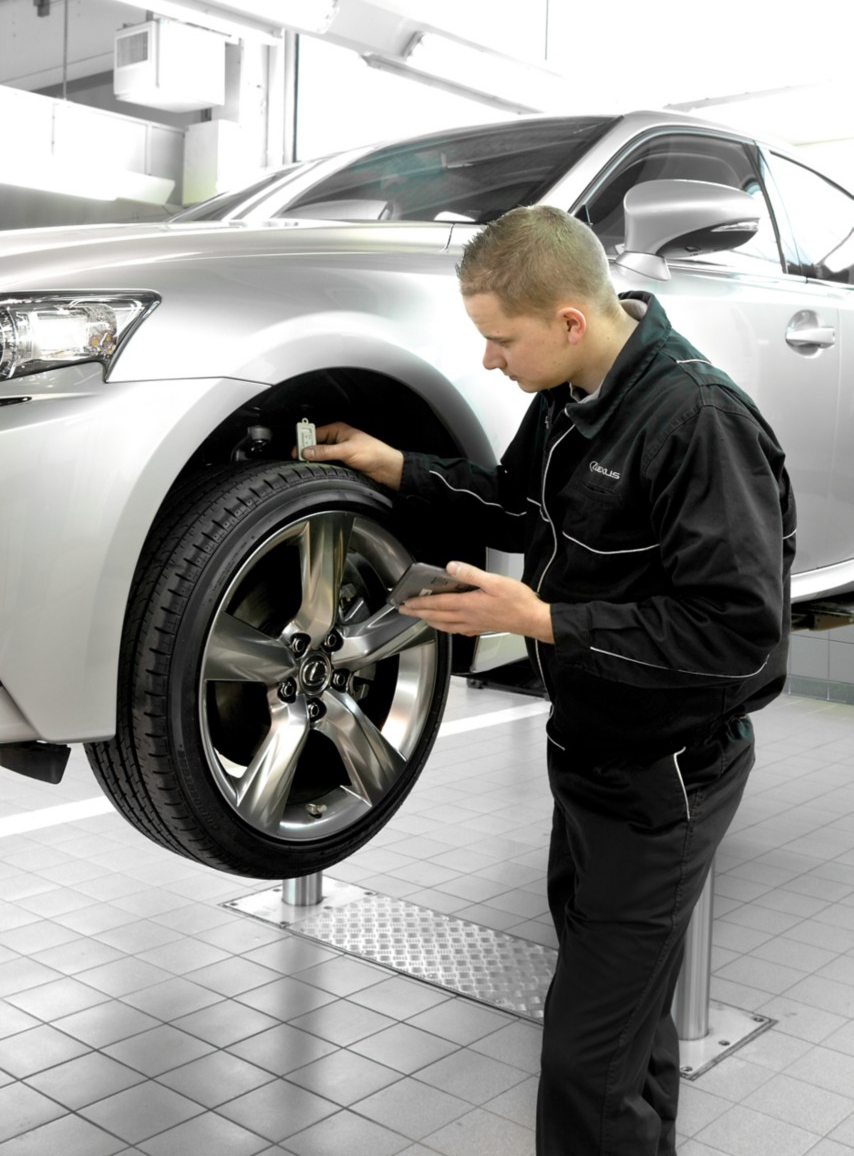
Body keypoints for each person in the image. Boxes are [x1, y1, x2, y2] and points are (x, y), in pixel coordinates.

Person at [301, 204, 796, 1156]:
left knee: (586, 1066)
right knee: (625, 1021)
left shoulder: (697, 420)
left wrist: (542, 619)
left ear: (570, 319)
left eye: (500, 339)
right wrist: (394, 463)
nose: (489, 361)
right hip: (588, 756)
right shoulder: (574, 396)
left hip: (666, 775)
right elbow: (516, 503)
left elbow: (737, 633)